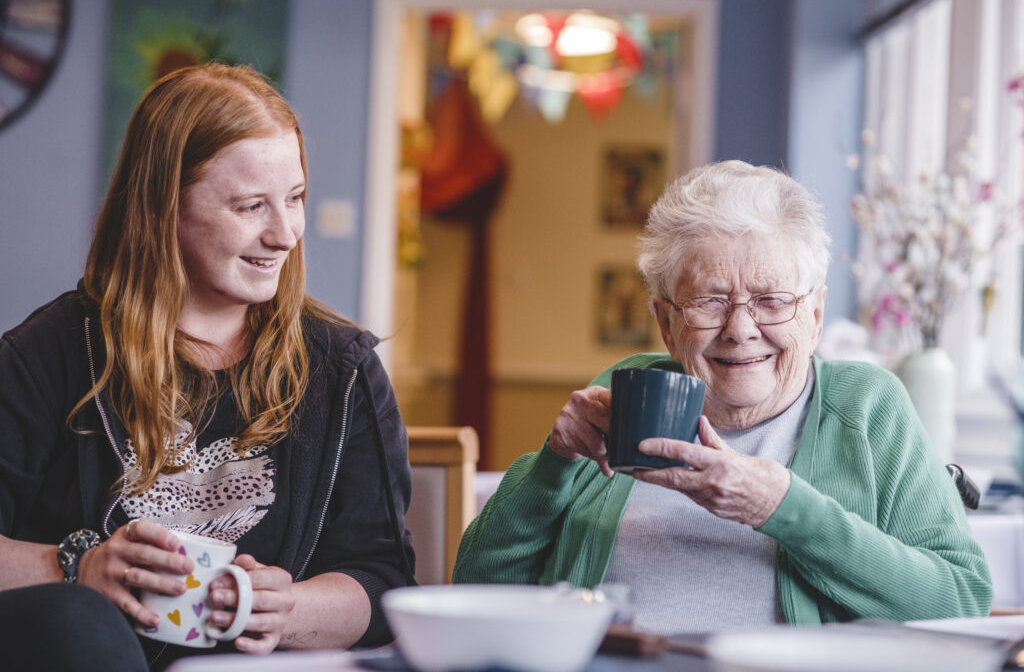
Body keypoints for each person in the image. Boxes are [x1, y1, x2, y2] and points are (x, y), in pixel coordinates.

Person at [453, 160, 992, 633]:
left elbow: (959, 601)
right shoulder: (629, 392)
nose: (740, 328)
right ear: (666, 322)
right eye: (709, 301)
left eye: (771, 300)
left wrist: (782, 507)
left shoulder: (867, 406)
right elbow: (476, 590)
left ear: (816, 314)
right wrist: (554, 463)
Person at [0, 63, 415, 670]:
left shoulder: (342, 369)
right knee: (77, 622)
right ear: (162, 206)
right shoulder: (49, 354)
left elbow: (384, 581)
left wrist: (291, 609)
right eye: (251, 207)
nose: (285, 234)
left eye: (296, 199)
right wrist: (75, 565)